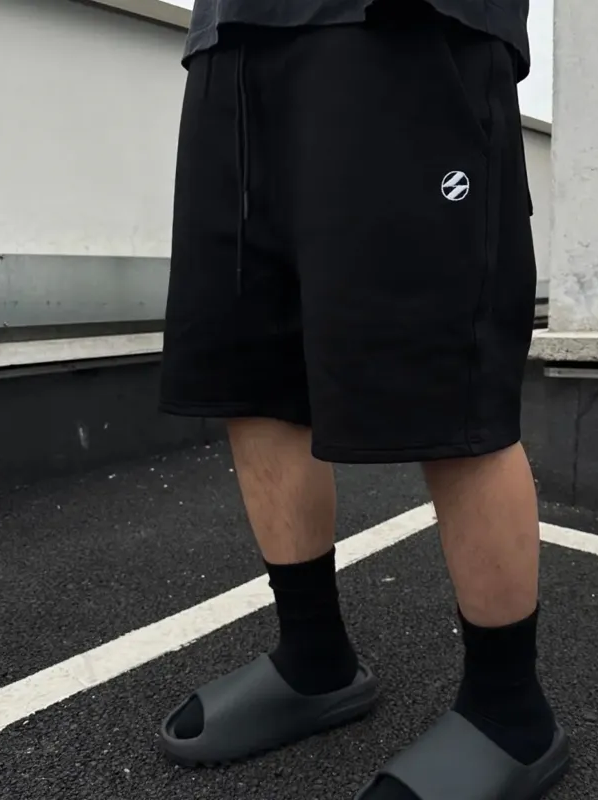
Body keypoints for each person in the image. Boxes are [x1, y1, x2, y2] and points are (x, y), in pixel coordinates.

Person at [158, 0, 569, 797]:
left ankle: (508, 711)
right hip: (231, 39)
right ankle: (314, 656)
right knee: (254, 372)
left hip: (407, 27)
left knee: (450, 384)